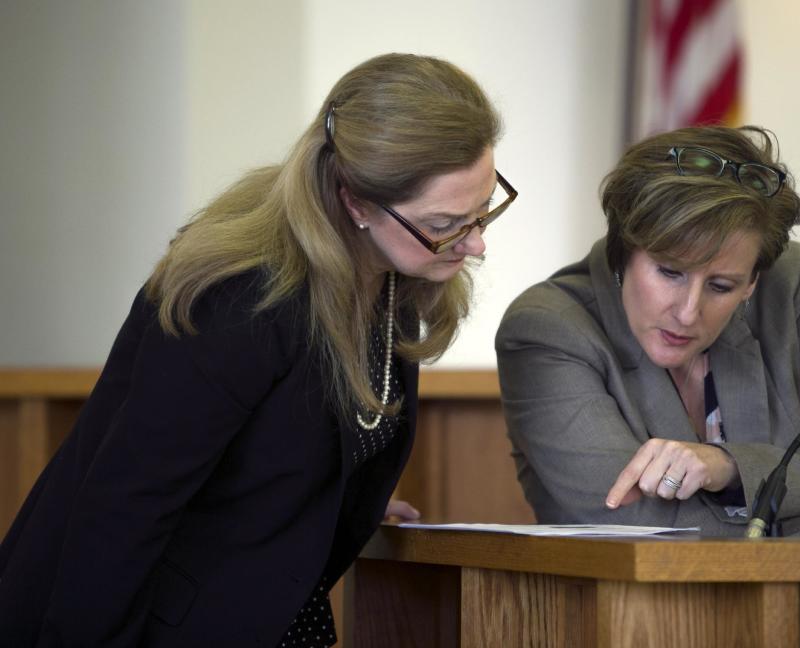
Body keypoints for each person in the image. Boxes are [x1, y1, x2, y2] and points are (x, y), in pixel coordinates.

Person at [0, 53, 516, 646]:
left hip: (271, 612)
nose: (474, 244)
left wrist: (334, 496)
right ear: (357, 204)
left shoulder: (391, 273)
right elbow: (125, 506)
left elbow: (281, 441)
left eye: (484, 211)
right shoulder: (242, 295)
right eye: (448, 222)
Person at [495, 125, 800, 537]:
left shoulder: (789, 285)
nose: (688, 312)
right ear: (623, 251)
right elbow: (637, 525)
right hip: (633, 601)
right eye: (670, 272)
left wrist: (730, 466)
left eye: (721, 287)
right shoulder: (547, 328)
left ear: (753, 282)